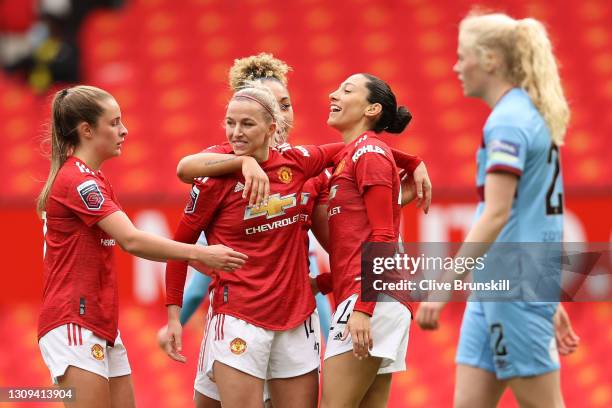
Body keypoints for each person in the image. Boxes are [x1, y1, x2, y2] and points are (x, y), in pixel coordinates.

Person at [36, 85, 247, 408]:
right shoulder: (78, 181)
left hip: (99, 319)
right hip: (73, 321)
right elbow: (131, 240)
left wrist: (192, 260)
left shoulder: (93, 178)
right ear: (87, 130)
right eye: (115, 122)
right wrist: (199, 253)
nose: (124, 130)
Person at [415, 12, 579, 408]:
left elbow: (497, 214)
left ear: (489, 60)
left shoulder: (508, 121)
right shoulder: (524, 112)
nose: (456, 66)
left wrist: (442, 285)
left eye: (462, 56)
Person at [312, 73, 414, 408]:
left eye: (346, 89)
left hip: (371, 298)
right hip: (377, 296)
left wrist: (364, 308)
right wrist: (325, 282)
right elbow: (358, 239)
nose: (333, 93)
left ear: (372, 109)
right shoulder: (353, 155)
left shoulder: (369, 152)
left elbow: (383, 234)